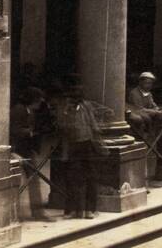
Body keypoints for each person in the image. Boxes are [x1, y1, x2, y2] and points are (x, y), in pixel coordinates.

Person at [54, 81, 103, 219]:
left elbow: (93, 125)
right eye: (71, 96)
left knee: (90, 176)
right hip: (71, 145)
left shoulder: (86, 106)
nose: (72, 99)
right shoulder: (65, 108)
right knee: (72, 178)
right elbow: (61, 126)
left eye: (75, 96)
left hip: (87, 144)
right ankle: (72, 210)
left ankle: (90, 210)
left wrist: (97, 138)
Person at [11, 86, 54, 221]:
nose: (40, 103)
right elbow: (13, 130)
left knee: (34, 180)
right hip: (17, 151)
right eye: (39, 101)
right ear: (33, 100)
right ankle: (13, 214)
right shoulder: (18, 110)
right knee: (15, 182)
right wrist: (29, 132)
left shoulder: (31, 112)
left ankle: (38, 213)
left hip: (28, 150)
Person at [127, 71, 162, 138]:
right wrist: (155, 111)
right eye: (146, 83)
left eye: (150, 83)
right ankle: (147, 135)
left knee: (161, 115)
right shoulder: (134, 93)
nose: (149, 85)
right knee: (146, 118)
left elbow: (152, 104)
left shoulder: (148, 93)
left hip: (146, 112)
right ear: (140, 82)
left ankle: (156, 134)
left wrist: (158, 109)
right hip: (136, 113)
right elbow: (139, 108)